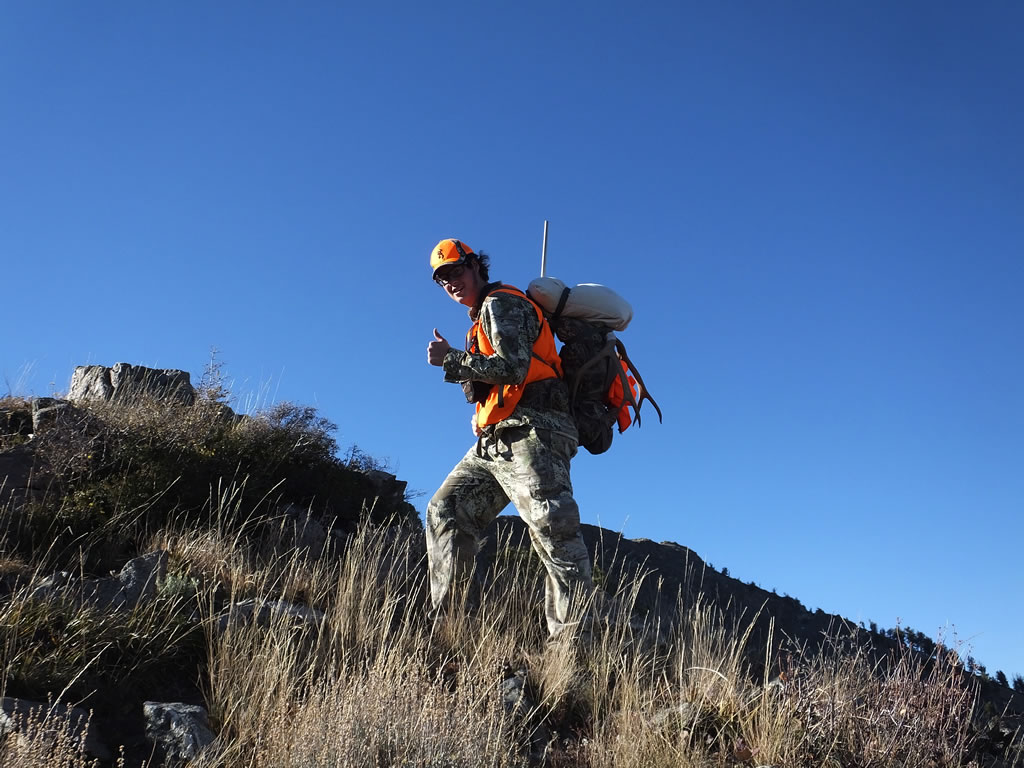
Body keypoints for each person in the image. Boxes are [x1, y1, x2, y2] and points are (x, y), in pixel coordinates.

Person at [425, 238, 594, 639]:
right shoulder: (480, 320)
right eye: (441, 278)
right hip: (497, 439)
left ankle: (573, 652)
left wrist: (450, 359)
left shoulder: (501, 303)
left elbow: (512, 367)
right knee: (446, 509)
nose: (450, 282)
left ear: (474, 266)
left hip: (534, 431)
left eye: (455, 270)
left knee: (553, 530)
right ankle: (451, 632)